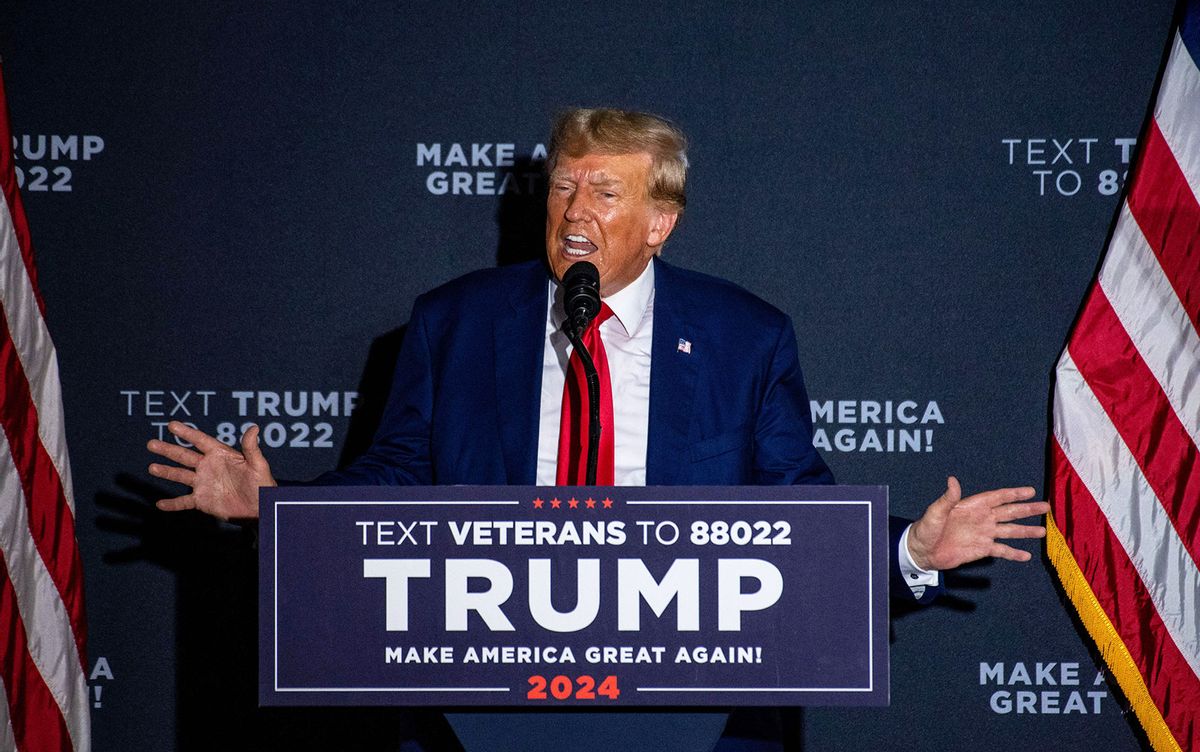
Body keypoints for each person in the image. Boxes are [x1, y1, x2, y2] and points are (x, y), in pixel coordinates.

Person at [147, 107, 1049, 747]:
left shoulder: (746, 336)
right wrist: (280, 510)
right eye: (564, 187)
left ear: (660, 222)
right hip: (479, 702)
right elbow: (396, 477)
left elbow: (797, 512)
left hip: (696, 711)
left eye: (605, 193)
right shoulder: (454, 321)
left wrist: (913, 555)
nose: (576, 211)